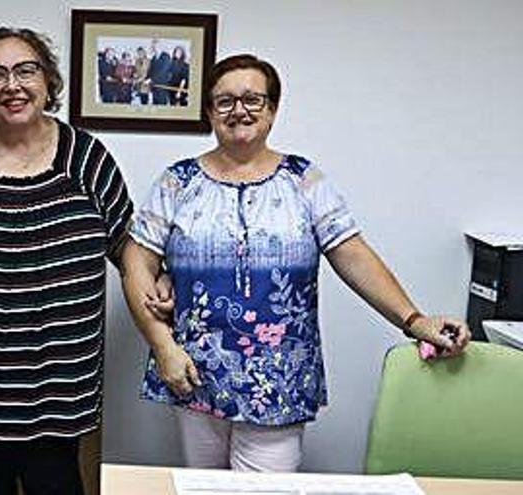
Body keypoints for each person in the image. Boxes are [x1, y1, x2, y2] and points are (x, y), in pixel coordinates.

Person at [121, 54, 471, 472]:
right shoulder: (177, 182)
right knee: (202, 488)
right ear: (210, 112)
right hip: (193, 368)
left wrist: (413, 319)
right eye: (225, 101)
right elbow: (135, 259)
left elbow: (352, 254)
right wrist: (163, 346)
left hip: (281, 375)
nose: (239, 111)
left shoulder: (304, 180)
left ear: (272, 109)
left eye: (253, 98)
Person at [0, 27, 134, 495]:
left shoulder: (86, 157)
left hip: (62, 391)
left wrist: (156, 289)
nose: (12, 85)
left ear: (48, 81)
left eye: (26, 70)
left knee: (59, 484)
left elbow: (126, 245)